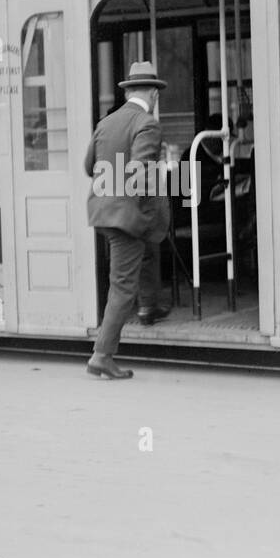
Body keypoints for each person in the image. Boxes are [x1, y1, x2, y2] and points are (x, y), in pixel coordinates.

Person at [83, 61, 170, 380]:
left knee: (121, 279)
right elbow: (139, 172)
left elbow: (88, 164)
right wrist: (147, 213)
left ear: (128, 90)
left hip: (102, 211)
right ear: (153, 93)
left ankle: (108, 347)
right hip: (126, 216)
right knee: (122, 287)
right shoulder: (146, 123)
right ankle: (102, 355)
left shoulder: (107, 122)